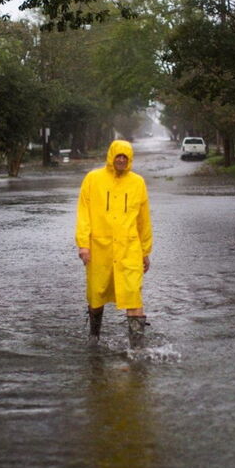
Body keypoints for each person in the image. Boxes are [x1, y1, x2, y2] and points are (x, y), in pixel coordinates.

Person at [75, 140, 153, 347]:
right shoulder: (93, 179)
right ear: (111, 156)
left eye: (125, 157)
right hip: (99, 249)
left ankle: (137, 347)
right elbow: (84, 214)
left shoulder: (138, 183)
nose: (121, 160)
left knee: (133, 294)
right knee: (96, 294)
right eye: (118, 156)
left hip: (129, 249)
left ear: (130, 160)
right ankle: (94, 335)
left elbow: (143, 220)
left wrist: (145, 251)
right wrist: (83, 244)